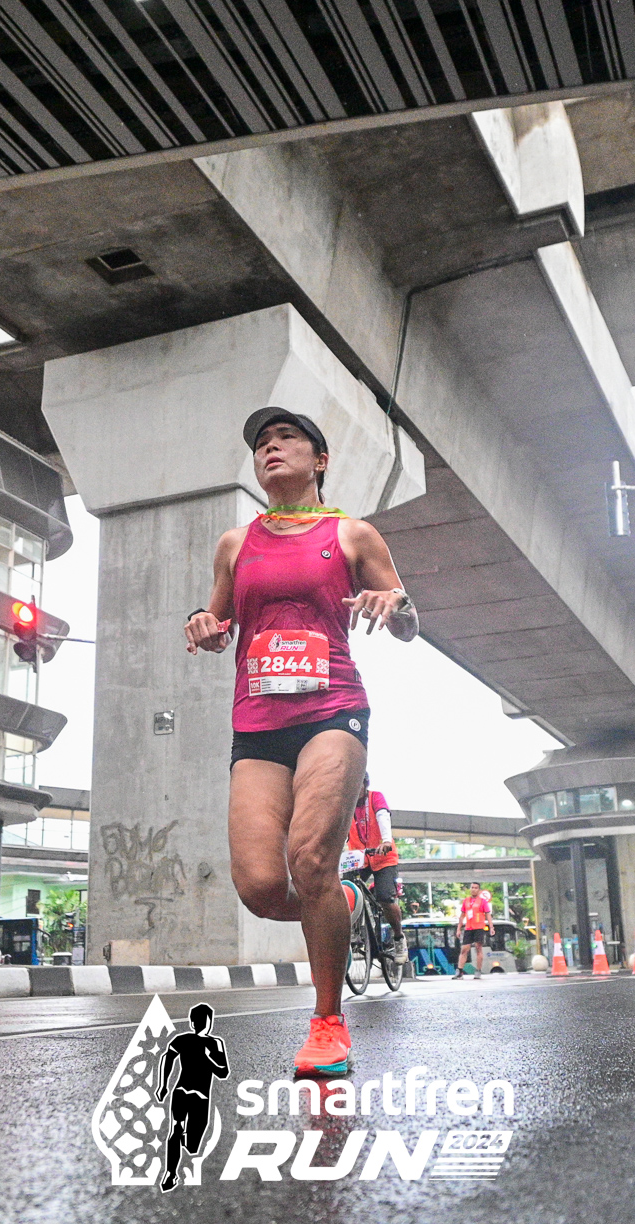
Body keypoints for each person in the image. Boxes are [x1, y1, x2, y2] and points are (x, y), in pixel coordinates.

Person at [185, 407, 418, 1076]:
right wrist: (202, 625)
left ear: (319, 460)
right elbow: (217, 620)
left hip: (332, 712)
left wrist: (395, 605)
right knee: (261, 886)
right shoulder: (236, 544)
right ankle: (344, 904)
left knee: (310, 859)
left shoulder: (352, 535)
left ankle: (327, 1024)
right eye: (261, 442)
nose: (271, 448)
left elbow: (407, 620)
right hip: (257, 723)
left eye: (285, 438)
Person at [156, 1003, 229, 1193]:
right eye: (200, 1020)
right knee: (176, 1128)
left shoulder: (215, 1043)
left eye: (204, 1020)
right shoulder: (183, 1040)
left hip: (199, 1097)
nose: (203, 1023)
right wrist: (163, 1085)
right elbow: (167, 1058)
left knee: (192, 1145)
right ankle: (170, 1173)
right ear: (193, 1022)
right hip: (183, 1092)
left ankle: (183, 1141)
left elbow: (223, 1072)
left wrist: (206, 1058)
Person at [346, 778, 405, 967]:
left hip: (383, 856)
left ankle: (399, 938)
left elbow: (382, 816)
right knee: (345, 892)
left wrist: (386, 840)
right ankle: (355, 929)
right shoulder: (346, 803)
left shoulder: (375, 798)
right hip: (359, 858)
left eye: (359, 784)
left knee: (385, 898)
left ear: (365, 784)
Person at [456, 883, 492, 978]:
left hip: (479, 927)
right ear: (470, 889)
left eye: (476, 888)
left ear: (479, 890)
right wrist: (459, 929)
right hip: (469, 928)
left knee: (478, 948)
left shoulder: (483, 902)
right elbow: (462, 916)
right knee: (464, 949)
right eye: (472, 887)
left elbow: (488, 914)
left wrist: (491, 927)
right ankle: (459, 971)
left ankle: (478, 971)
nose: (474, 889)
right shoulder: (466, 901)